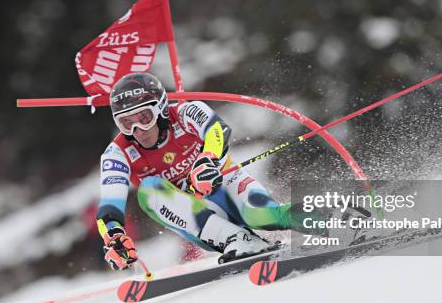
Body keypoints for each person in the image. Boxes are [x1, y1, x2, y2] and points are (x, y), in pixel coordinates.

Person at [97, 73, 301, 270]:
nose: (137, 130)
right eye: (126, 123)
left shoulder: (186, 112)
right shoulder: (117, 153)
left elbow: (217, 129)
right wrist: (113, 236)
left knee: (265, 216)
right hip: (198, 222)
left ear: (160, 109)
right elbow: (109, 204)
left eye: (144, 118)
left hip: (225, 187)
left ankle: (326, 216)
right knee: (148, 190)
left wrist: (207, 159)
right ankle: (236, 238)